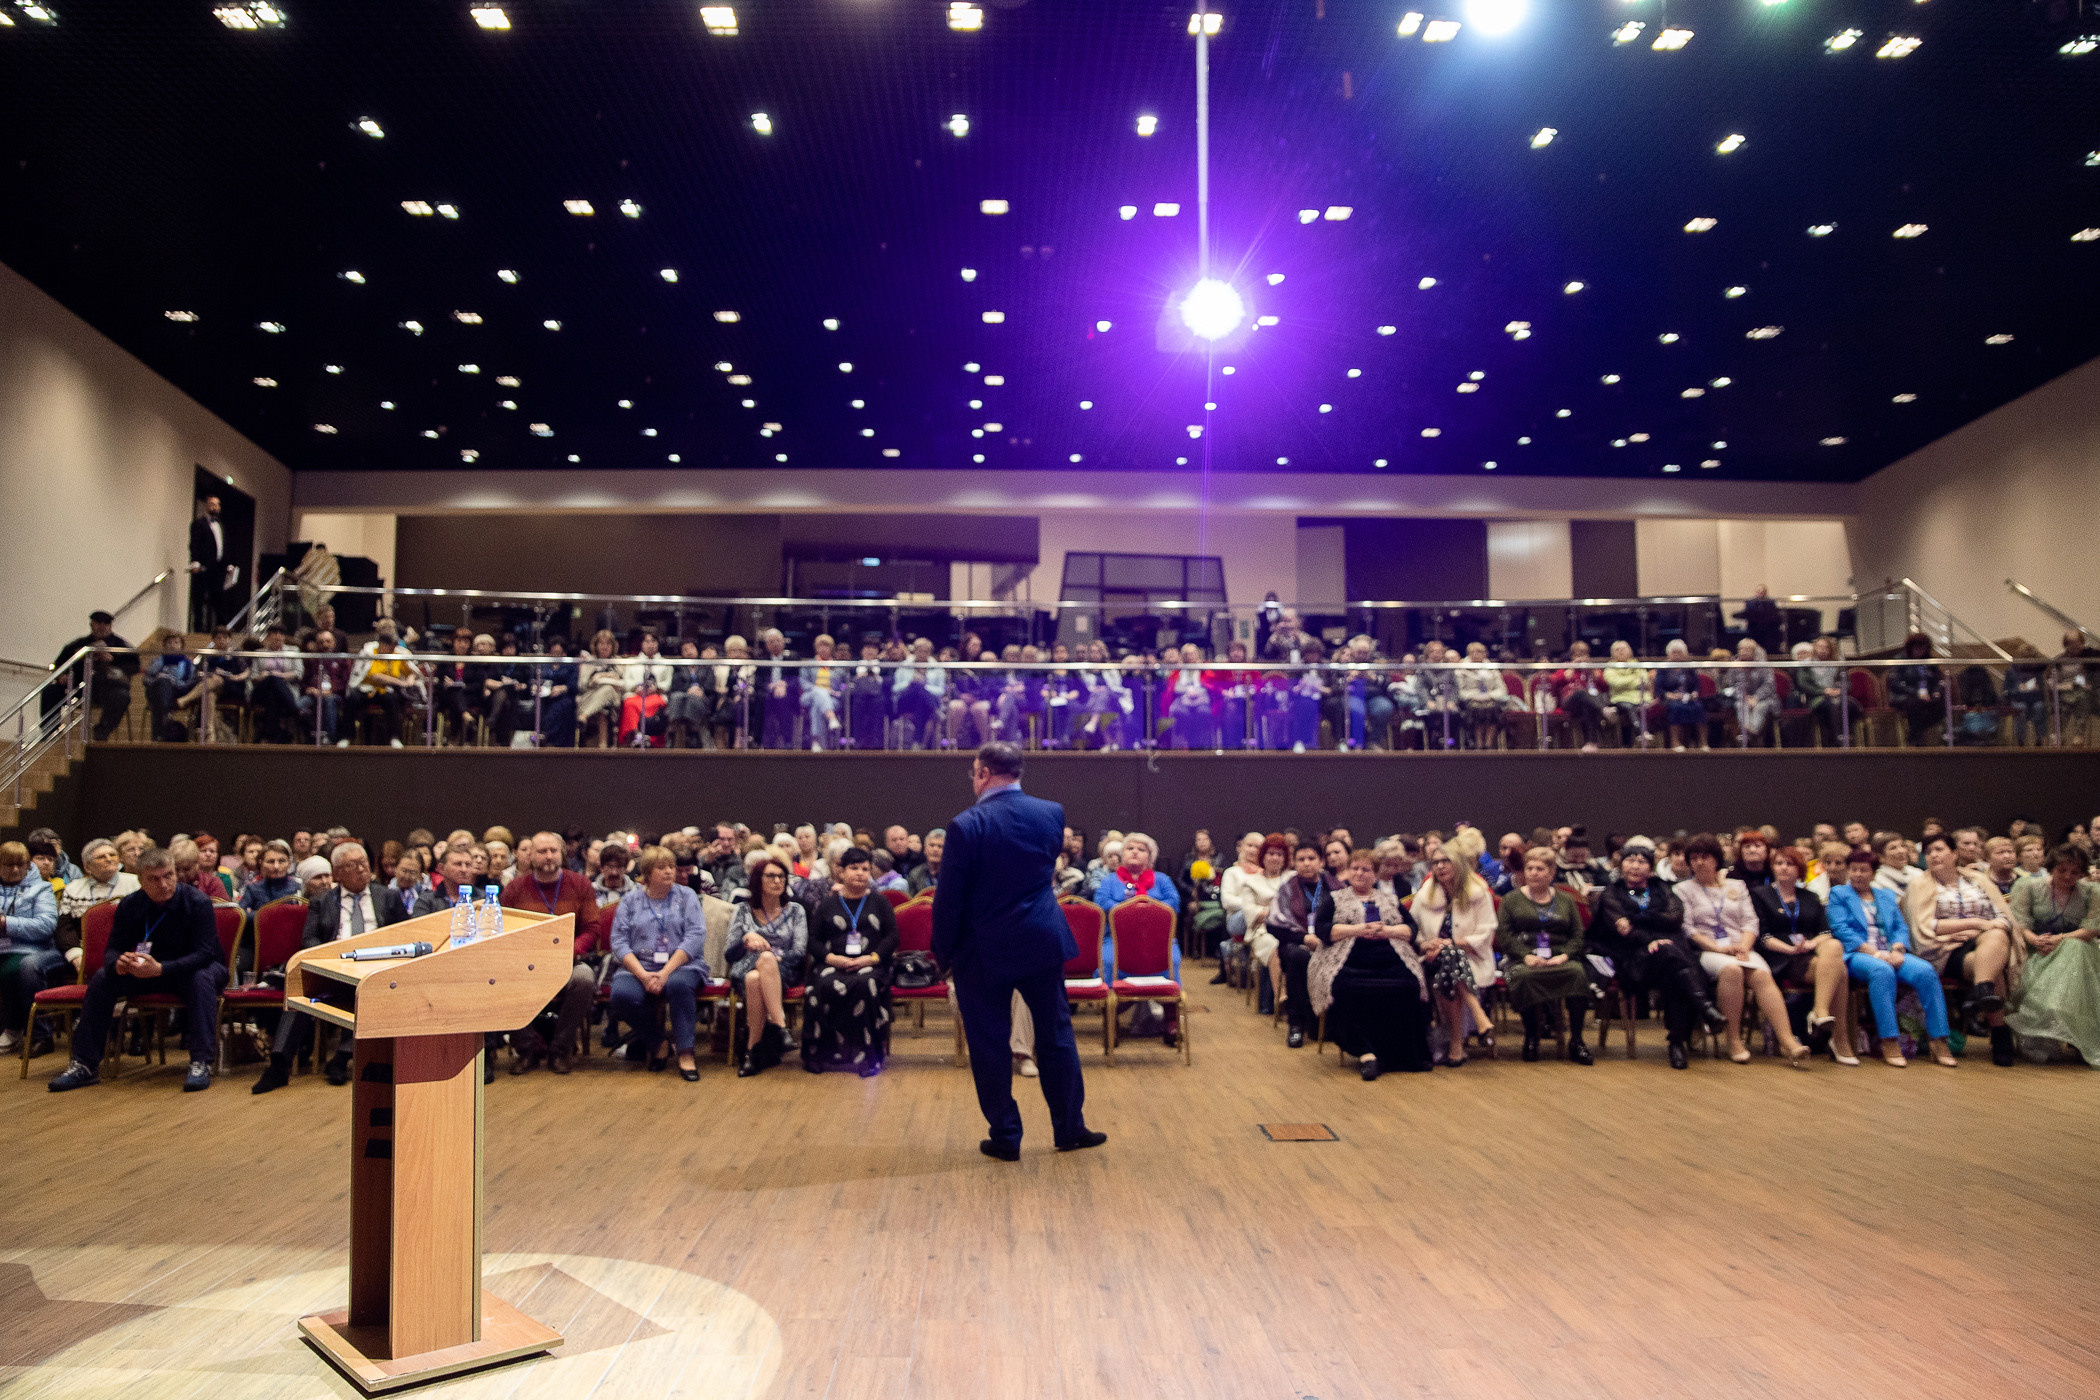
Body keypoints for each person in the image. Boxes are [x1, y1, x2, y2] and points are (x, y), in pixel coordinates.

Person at [930, 742, 1103, 1160]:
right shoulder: (1051, 814)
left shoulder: (965, 825)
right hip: (1041, 938)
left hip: (982, 948)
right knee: (1056, 1036)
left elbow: (949, 900)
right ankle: (1070, 1128)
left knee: (989, 1043)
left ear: (983, 773)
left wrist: (943, 954)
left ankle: (1006, 1137)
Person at [48, 847, 229, 1093]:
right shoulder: (130, 904)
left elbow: (205, 954)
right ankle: (84, 1064)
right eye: (154, 879)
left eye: (168, 875)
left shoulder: (197, 902)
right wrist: (118, 963)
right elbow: (113, 949)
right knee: (102, 978)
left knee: (200, 978)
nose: (163, 884)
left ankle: (201, 1062)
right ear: (140, 880)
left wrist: (162, 968)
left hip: (195, 968)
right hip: (147, 970)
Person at [251, 841, 409, 1093]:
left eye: (363, 863)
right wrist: (332, 959)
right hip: (335, 968)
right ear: (337, 873)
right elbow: (310, 940)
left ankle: (341, 1058)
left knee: (368, 992)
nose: (361, 869)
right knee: (300, 988)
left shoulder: (387, 897)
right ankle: (279, 1064)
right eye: (352, 865)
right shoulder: (322, 901)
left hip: (377, 970)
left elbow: (405, 935)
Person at [1587, 837, 1726, 1069]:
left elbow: (1675, 918)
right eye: (1630, 860)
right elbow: (1623, 931)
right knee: (1674, 959)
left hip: (1667, 955)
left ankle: (1677, 1042)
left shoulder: (1662, 888)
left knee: (1672, 972)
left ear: (1651, 867)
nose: (1635, 866)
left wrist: (1639, 919)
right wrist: (1653, 937)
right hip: (1632, 960)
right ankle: (1703, 1011)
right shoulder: (1612, 893)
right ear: (1622, 865)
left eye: (1642, 861)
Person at [1674, 833, 1811, 1067]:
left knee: (1761, 975)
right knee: (1732, 971)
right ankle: (1733, 1040)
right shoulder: (1683, 889)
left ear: (1716, 859)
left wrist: (1745, 946)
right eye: (1694, 858)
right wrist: (1718, 948)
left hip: (1740, 946)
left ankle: (1788, 1041)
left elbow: (1750, 921)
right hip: (1708, 950)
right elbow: (1688, 929)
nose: (1699, 862)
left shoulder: (1736, 886)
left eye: (1704, 857)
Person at [1309, 850, 1432, 1080]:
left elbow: (1411, 930)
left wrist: (1388, 931)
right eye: (1355, 868)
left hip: (1389, 958)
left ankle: (1399, 1054)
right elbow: (1323, 930)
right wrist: (1358, 929)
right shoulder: (1334, 898)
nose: (1359, 873)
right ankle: (1366, 1053)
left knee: (1409, 984)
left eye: (1365, 869)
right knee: (1343, 987)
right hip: (1347, 959)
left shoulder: (1390, 900)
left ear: (1375, 875)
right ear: (1348, 872)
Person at [1828, 846, 1955, 1067]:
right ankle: (1889, 1040)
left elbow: (1899, 927)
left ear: (1874, 873)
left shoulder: (1885, 896)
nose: (1858, 874)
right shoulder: (1839, 894)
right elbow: (1841, 929)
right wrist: (1876, 953)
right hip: (1858, 953)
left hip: (1890, 952)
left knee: (1926, 971)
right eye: (1854, 869)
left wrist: (1897, 949)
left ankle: (1939, 1040)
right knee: (1882, 971)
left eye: (1863, 870)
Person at [1904, 832, 2020, 1066]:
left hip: (1983, 943)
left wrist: (1982, 930)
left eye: (1939, 850)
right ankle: (1999, 1031)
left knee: (1997, 937)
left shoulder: (1978, 880)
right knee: (1993, 967)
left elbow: (2003, 918)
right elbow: (1925, 927)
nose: (1933, 856)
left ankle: (1982, 990)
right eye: (1928, 852)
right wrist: (1977, 923)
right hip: (1944, 950)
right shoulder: (1920, 885)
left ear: (1954, 853)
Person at [499, 832, 604, 1074]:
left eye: (553, 851)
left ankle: (560, 1049)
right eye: (542, 851)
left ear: (562, 854)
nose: (548, 856)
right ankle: (527, 1050)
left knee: (584, 979)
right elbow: (504, 929)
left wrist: (569, 951)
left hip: (568, 960)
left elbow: (592, 928)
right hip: (527, 963)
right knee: (501, 980)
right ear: (530, 856)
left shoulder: (580, 884)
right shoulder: (515, 889)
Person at [606, 845, 709, 1080]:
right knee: (621, 995)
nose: (669, 871)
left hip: (682, 965)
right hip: (639, 966)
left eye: (671, 866)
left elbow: (695, 936)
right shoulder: (630, 901)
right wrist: (643, 975)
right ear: (647, 873)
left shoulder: (687, 896)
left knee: (678, 986)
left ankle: (686, 1053)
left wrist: (665, 973)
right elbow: (619, 941)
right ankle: (658, 1042)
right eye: (661, 867)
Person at [1750, 844, 1855, 1064]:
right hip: (1779, 956)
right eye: (1779, 863)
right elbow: (1763, 936)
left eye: (1789, 864)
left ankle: (1820, 1010)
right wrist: (1789, 949)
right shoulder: (1760, 894)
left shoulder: (1810, 896)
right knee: (1840, 972)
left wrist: (1810, 944)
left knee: (1834, 946)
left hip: (1809, 953)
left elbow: (1825, 932)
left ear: (1799, 869)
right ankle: (1839, 1039)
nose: (1783, 868)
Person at [802, 846, 900, 1075]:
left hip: (871, 964)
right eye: (854, 868)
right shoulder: (828, 904)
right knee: (820, 986)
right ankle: (820, 1054)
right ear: (842, 872)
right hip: (833, 963)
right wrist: (832, 958)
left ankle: (868, 1058)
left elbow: (892, 936)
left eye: (865, 869)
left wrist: (871, 958)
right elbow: (813, 940)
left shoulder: (880, 902)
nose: (860, 873)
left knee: (866, 984)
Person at [1496, 847, 1595, 1063]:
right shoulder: (1510, 900)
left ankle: (1577, 1041)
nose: (1533, 873)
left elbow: (1577, 935)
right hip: (1524, 958)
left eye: (1539, 869)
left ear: (1551, 873)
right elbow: (1505, 935)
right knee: (1524, 976)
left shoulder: (1566, 900)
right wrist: (1525, 956)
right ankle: (1532, 1037)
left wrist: (1565, 955)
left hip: (1560, 957)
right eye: (1529, 868)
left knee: (1577, 973)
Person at [2005, 844, 2100, 1065]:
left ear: (2082, 873)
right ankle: (2042, 1035)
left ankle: (2079, 1036)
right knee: (2068, 953)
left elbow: (2091, 929)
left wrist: (2060, 939)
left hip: (2080, 950)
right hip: (2036, 948)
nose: (2067, 876)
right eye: (2062, 870)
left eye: (2075, 872)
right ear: (2051, 868)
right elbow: (2019, 923)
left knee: (2074, 949)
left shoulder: (2092, 892)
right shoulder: (2028, 887)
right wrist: (2035, 940)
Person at [1407, 843, 1498, 1064]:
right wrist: (1427, 945)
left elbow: (1486, 934)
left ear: (1459, 864)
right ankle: (1477, 1014)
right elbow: (1412, 930)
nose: (1440, 866)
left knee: (1448, 961)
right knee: (1446, 957)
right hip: (1429, 958)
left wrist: (1451, 944)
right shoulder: (1425, 893)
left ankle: (1456, 1040)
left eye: (1445, 861)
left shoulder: (1478, 892)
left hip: (1471, 956)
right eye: (1436, 862)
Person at [1094, 831, 1183, 1047]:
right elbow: (1101, 902)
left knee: (1172, 959)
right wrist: (1130, 909)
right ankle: (1111, 1020)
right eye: (1130, 848)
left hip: (1157, 942)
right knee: (1107, 962)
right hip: (1117, 941)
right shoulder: (1109, 880)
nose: (1135, 852)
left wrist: (1146, 907)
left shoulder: (1162, 880)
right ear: (1122, 854)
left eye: (1141, 849)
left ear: (1150, 857)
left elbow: (1174, 902)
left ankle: (1171, 1021)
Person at [728, 855, 807, 1076]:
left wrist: (773, 958)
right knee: (757, 968)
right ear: (758, 880)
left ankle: (751, 1053)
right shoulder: (742, 910)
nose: (777, 881)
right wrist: (746, 940)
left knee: (756, 976)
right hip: (745, 966)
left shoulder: (795, 910)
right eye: (771, 876)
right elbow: (730, 954)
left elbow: (799, 952)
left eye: (781, 876)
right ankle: (780, 1026)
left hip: (784, 969)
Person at [1269, 842, 1342, 1048]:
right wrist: (1304, 939)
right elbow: (1274, 927)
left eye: (1311, 858)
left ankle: (1331, 1021)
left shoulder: (1336, 887)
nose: (1306, 863)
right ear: (1294, 863)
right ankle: (1296, 1024)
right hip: (1297, 943)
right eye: (1301, 859)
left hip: (1332, 943)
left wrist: (1327, 938)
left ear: (1321, 861)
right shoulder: (1286, 888)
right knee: (1297, 957)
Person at [0, 842, 64, 1058]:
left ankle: (35, 1033)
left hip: (36, 949)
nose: (16, 870)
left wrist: (6, 923)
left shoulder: (41, 889)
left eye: (21, 865)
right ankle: (12, 1028)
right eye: (9, 865)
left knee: (17, 969)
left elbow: (46, 926)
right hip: (3, 949)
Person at [48, 610, 138, 741]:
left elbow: (134, 667)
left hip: (108, 687)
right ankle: (50, 733)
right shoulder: (78, 644)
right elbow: (58, 665)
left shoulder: (121, 645)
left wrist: (112, 660)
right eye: (98, 623)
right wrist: (61, 675)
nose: (102, 626)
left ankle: (103, 730)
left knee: (121, 696)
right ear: (92, 624)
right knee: (50, 691)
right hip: (78, 686)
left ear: (110, 625)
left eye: (106, 623)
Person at [348, 618, 417, 747]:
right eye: (384, 629)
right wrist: (401, 683)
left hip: (387, 691)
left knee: (392, 699)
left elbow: (412, 671)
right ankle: (346, 737)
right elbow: (374, 676)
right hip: (367, 688)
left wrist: (410, 680)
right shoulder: (370, 651)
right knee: (351, 699)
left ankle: (395, 738)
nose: (392, 648)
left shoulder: (398, 653)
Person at [1886, 633, 1945, 746]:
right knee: (1917, 705)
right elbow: (1895, 683)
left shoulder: (1930, 661)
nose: (1920, 652)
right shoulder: (1900, 659)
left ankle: (1913, 733)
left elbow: (1937, 680)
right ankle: (1916, 737)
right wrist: (1916, 692)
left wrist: (1936, 692)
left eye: (1923, 649)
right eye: (1917, 648)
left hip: (1926, 696)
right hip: (1904, 696)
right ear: (1911, 647)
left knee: (1940, 707)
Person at [619, 632, 675, 746]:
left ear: (658, 644)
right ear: (642, 644)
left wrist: (656, 688)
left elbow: (668, 684)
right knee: (629, 703)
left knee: (655, 704)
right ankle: (637, 736)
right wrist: (637, 687)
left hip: (656, 696)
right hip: (636, 696)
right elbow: (626, 682)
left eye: (653, 641)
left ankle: (652, 739)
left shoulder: (666, 664)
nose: (650, 644)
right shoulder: (632, 662)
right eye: (647, 641)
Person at [143, 633, 200, 741]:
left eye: (176, 643)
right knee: (162, 684)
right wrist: (160, 679)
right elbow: (146, 680)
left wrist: (173, 682)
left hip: (179, 693)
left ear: (181, 646)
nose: (172, 645)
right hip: (157, 691)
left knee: (164, 686)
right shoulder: (157, 661)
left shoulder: (188, 664)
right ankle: (164, 721)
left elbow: (190, 682)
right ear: (164, 646)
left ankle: (160, 734)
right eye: (169, 643)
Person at [188, 493, 233, 630]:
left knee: (219, 597)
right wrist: (195, 562)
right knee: (200, 598)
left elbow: (224, 546)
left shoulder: (221, 525)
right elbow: (194, 544)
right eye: (212, 504)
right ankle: (198, 628)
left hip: (219, 568)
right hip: (204, 567)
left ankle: (221, 627)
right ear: (206, 506)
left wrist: (228, 564)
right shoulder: (199, 524)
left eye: (217, 504)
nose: (215, 507)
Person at [575, 630, 625, 746]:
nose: (604, 647)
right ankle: (603, 746)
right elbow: (582, 685)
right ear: (596, 645)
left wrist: (606, 676)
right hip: (589, 698)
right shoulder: (589, 661)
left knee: (608, 690)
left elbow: (624, 684)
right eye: (601, 643)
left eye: (608, 643)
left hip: (613, 700)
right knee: (603, 709)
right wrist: (594, 680)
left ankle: (583, 716)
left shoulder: (618, 662)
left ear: (613, 646)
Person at [666, 638, 716, 748]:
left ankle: (692, 732)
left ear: (697, 650)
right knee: (676, 697)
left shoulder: (705, 666)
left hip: (702, 697)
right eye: (685, 649)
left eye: (691, 648)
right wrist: (688, 689)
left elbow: (710, 685)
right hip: (683, 696)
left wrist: (700, 689)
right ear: (681, 653)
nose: (689, 651)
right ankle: (673, 730)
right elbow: (675, 685)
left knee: (692, 699)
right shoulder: (678, 667)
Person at [236, 839, 299, 912]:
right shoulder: (252, 889)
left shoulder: (298, 887)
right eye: (271, 861)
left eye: (281, 861)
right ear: (261, 863)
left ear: (289, 864)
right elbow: (240, 914)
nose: (276, 866)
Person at [907, 828, 944, 895]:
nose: (935, 849)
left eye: (940, 846)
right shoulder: (914, 875)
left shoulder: (954, 874)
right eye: (932, 845)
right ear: (925, 850)